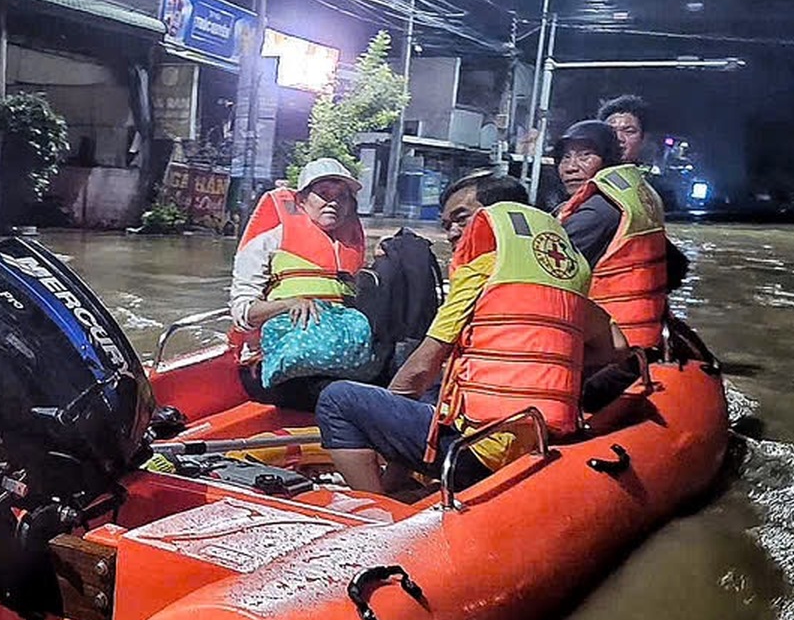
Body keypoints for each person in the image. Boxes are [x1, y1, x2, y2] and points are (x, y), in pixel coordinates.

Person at [314, 172, 617, 494]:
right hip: (540, 437)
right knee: (435, 389)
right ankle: (398, 484)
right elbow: (617, 347)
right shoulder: (562, 278)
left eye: (461, 219)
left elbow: (417, 372)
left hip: (476, 454)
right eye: (446, 225)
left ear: (497, 217)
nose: (453, 233)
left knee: (337, 400)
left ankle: (378, 503)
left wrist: (384, 423)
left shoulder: (481, 270)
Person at [228, 157, 370, 409]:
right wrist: (290, 303)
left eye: (342, 196)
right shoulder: (267, 242)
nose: (333, 202)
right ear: (301, 200)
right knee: (343, 396)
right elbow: (243, 314)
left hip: (337, 360)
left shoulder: (350, 249)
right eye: (323, 194)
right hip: (271, 367)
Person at [552, 118, 684, 350]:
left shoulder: (598, 210)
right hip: (640, 332)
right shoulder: (634, 198)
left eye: (585, 156)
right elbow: (678, 268)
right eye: (565, 157)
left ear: (608, 161)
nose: (571, 166)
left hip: (612, 342)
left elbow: (543, 269)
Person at [598, 93, 651, 165]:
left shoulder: (650, 175)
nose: (619, 138)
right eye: (611, 131)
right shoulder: (583, 173)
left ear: (643, 139)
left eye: (629, 131)